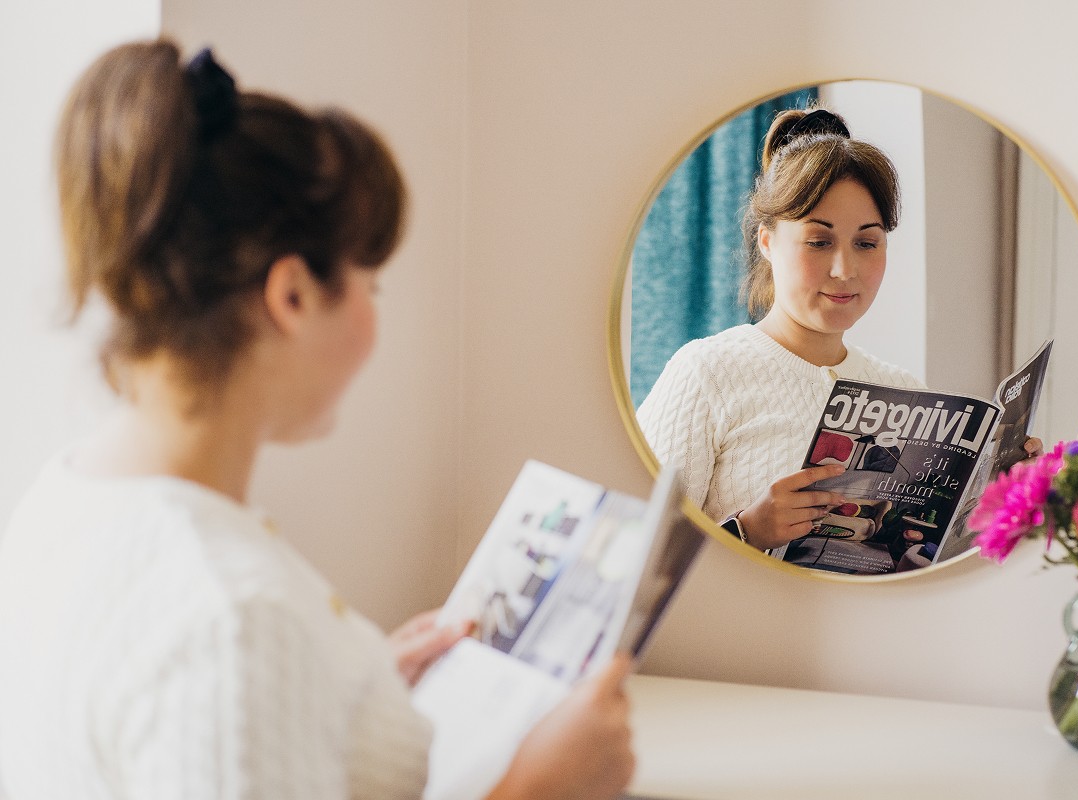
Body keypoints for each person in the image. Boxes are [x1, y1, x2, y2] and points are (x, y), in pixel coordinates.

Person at [0, 40, 633, 800]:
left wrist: (351, 689)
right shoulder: (232, 622)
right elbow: (225, 668)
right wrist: (535, 790)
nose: (374, 314)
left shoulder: (65, 500)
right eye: (370, 282)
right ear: (293, 295)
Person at [636, 108, 1038, 558]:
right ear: (767, 241)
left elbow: (930, 561)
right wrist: (746, 531)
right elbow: (633, 554)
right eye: (819, 241)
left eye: (867, 243)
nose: (845, 270)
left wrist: (1003, 494)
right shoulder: (707, 373)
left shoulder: (903, 391)